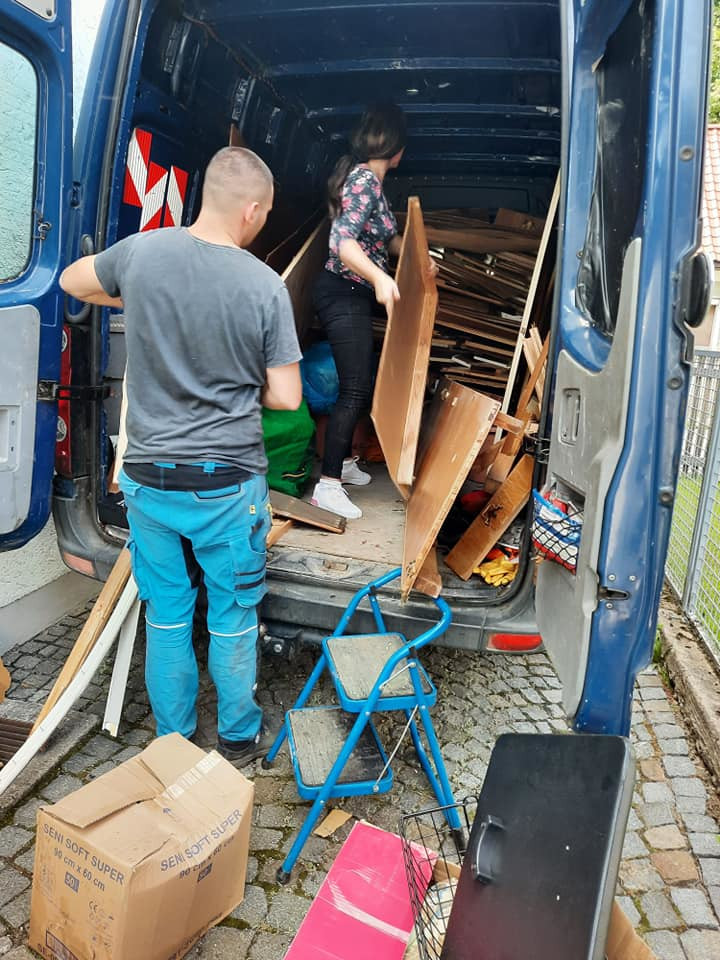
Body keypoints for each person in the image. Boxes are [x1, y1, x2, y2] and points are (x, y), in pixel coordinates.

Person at [59, 147, 303, 765]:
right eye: (265, 214)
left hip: (147, 479)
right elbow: (286, 395)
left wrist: (132, 298)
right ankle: (238, 739)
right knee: (231, 614)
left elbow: (71, 281)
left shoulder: (140, 253)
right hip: (226, 483)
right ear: (251, 210)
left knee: (167, 615)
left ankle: (173, 742)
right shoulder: (264, 285)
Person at [310, 102, 437, 519]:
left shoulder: (373, 186)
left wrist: (420, 259)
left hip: (353, 292)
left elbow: (388, 240)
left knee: (359, 383)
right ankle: (327, 486)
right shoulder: (364, 180)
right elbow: (342, 242)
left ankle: (344, 464)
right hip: (342, 290)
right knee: (354, 387)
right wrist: (381, 278)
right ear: (397, 148)